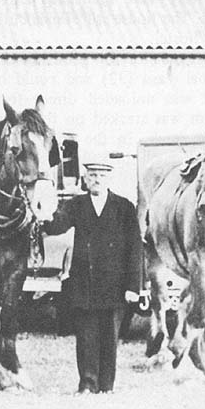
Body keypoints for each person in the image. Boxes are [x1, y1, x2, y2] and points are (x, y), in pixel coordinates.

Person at [43, 161, 142, 394]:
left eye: (101, 175)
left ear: (109, 179)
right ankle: (88, 384)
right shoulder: (76, 204)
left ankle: (107, 386)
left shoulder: (124, 207)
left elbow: (135, 247)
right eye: (93, 175)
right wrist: (45, 211)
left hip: (115, 286)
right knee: (86, 338)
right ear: (85, 179)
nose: (97, 179)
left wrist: (133, 286)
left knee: (110, 337)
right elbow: (57, 226)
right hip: (84, 284)